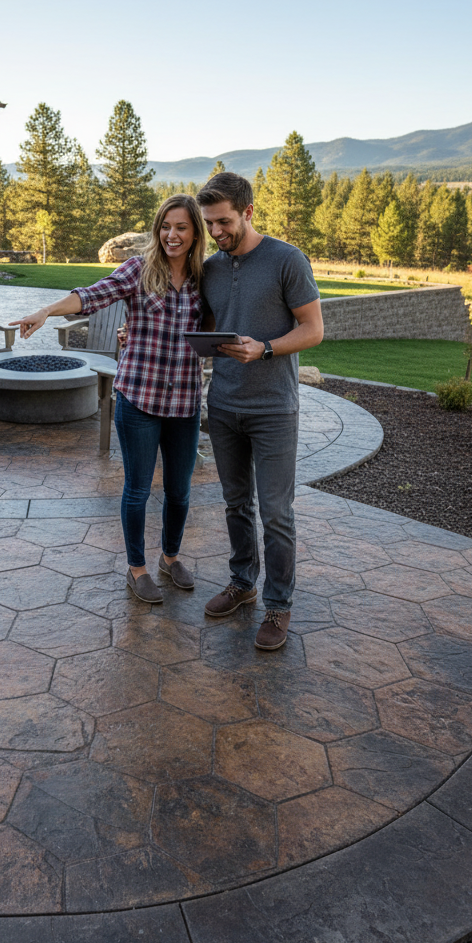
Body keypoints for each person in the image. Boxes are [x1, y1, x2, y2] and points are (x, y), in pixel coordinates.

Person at [10, 195, 208, 604]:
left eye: (182, 227)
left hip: (185, 400)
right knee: (137, 489)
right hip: (138, 396)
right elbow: (90, 295)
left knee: (180, 490)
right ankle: (137, 569)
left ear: (195, 233)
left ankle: (170, 558)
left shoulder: (205, 277)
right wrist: (48, 310)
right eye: (166, 226)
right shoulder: (139, 269)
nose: (172, 235)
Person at [196, 171, 324, 650]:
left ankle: (278, 605)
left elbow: (313, 330)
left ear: (248, 212)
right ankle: (242, 583)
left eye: (224, 222)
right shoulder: (211, 267)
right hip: (224, 404)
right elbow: (209, 330)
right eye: (210, 224)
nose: (217, 232)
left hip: (273, 408)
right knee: (235, 505)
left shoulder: (286, 259)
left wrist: (267, 348)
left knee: (275, 512)